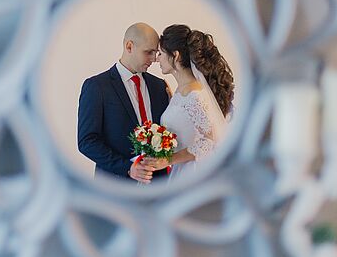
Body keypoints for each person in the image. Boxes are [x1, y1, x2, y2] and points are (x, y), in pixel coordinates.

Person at [77, 23, 170, 183]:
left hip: (158, 185)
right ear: (129, 46)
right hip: (116, 187)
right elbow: (87, 141)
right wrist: (127, 167)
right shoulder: (96, 86)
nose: (154, 59)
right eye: (148, 52)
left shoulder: (159, 86)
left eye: (156, 53)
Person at [143, 24, 234, 181]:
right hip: (181, 169)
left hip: (193, 172)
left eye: (161, 53)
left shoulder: (196, 96)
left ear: (176, 56)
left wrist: (168, 160)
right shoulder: (181, 91)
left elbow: (210, 142)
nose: (157, 59)